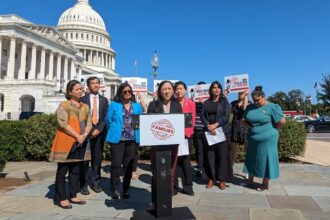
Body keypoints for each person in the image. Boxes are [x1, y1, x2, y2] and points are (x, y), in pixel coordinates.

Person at [49, 80, 92, 209]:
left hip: (80, 142)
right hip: (66, 141)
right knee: (62, 171)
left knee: (75, 170)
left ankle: (73, 195)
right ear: (70, 92)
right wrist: (77, 135)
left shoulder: (85, 106)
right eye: (77, 89)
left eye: (81, 89)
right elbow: (63, 123)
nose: (80, 91)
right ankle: (61, 198)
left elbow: (89, 123)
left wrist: (84, 136)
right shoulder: (64, 106)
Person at [243, 86, 286, 191]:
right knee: (252, 158)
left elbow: (282, 121)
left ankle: (265, 184)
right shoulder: (250, 107)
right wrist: (246, 123)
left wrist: (272, 130)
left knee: (266, 159)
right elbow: (245, 118)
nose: (256, 102)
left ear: (263, 96)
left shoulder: (272, 107)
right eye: (254, 100)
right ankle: (250, 180)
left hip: (268, 139)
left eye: (258, 100)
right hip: (252, 137)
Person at [105, 83, 143, 199]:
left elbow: (140, 121)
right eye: (124, 91)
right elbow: (108, 120)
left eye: (129, 91)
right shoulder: (114, 105)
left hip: (132, 139)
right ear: (120, 93)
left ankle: (126, 189)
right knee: (116, 164)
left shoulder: (137, 106)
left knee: (128, 165)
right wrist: (116, 129)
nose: (127, 93)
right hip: (118, 140)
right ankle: (114, 189)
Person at [147, 80, 182, 199]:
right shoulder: (153, 105)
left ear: (173, 91)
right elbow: (149, 123)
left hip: (173, 144)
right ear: (160, 91)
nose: (167, 91)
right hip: (157, 144)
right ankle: (155, 199)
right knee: (157, 172)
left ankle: (168, 195)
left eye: (169, 89)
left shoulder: (177, 105)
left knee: (171, 171)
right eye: (164, 89)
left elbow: (180, 123)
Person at [79, 77, 109, 195]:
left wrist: (98, 129)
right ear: (88, 86)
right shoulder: (82, 100)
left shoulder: (104, 100)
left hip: (99, 134)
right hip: (86, 134)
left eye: (97, 83)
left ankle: (96, 183)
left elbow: (105, 117)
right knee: (85, 160)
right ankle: (84, 185)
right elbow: (81, 117)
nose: (96, 85)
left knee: (97, 160)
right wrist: (90, 130)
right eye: (93, 83)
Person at [201, 81, 232, 190]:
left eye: (218, 87)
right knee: (210, 156)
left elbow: (226, 116)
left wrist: (216, 125)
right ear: (211, 90)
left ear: (221, 89)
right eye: (214, 87)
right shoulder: (206, 102)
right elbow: (202, 116)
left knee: (222, 156)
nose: (216, 89)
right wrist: (208, 126)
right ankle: (211, 178)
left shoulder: (224, 101)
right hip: (209, 133)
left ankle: (222, 180)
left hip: (222, 132)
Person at [174, 81, 196, 196]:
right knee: (174, 162)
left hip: (186, 136)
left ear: (185, 90)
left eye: (181, 88)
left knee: (186, 162)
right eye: (177, 89)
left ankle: (188, 187)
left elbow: (191, 121)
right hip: (173, 137)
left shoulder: (190, 103)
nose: (179, 91)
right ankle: (174, 187)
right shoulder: (172, 103)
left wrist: (186, 133)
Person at [230, 89, 250, 170]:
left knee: (248, 151)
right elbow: (227, 111)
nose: (241, 94)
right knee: (232, 151)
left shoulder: (249, 103)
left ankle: (248, 171)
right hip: (235, 129)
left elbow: (245, 109)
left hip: (245, 129)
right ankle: (229, 169)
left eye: (243, 92)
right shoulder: (233, 103)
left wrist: (245, 96)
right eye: (240, 92)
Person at [131, 92, 147, 180]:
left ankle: (133, 171)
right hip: (124, 134)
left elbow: (145, 109)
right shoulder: (120, 105)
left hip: (135, 132)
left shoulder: (136, 106)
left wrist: (140, 97)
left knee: (134, 154)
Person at [192, 81, 207, 178]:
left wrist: (204, 103)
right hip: (196, 129)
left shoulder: (208, 101)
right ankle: (199, 167)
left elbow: (211, 111)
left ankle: (203, 168)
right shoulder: (193, 101)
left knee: (205, 150)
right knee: (198, 150)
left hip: (205, 129)